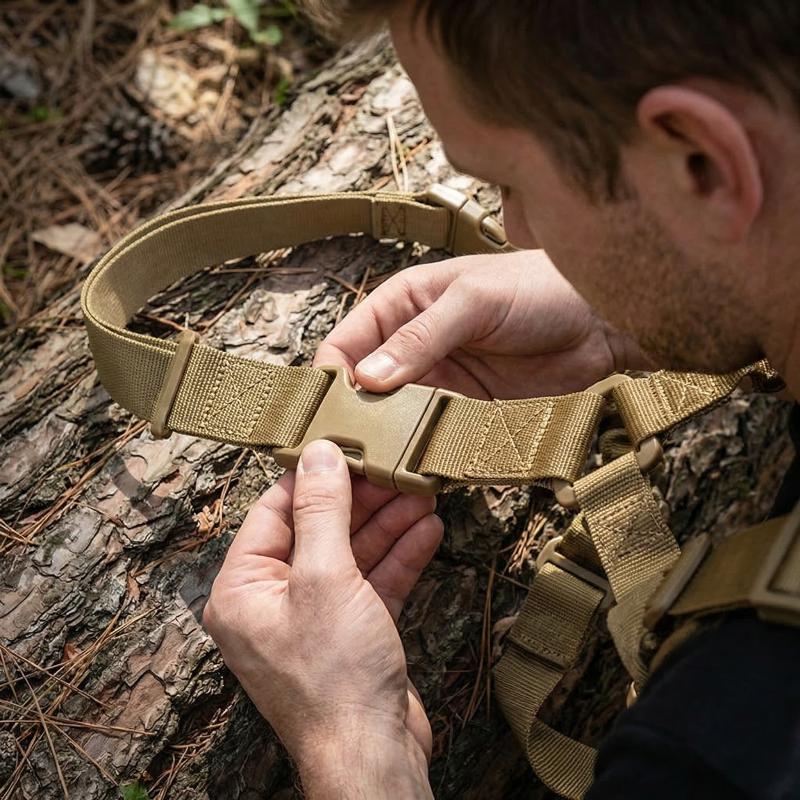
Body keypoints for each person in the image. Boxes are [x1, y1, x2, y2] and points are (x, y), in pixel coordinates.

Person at [203, 2, 800, 797]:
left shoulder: (722, 750)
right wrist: (637, 299)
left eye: (510, 184)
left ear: (701, 165)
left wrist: (352, 746)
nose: (515, 232)